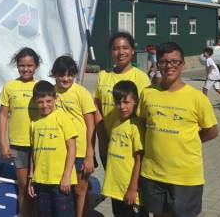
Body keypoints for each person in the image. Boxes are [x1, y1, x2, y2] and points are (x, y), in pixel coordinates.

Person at [139, 42, 218, 217]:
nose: (169, 66)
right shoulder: (147, 94)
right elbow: (144, 124)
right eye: (164, 62)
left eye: (175, 61)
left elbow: (212, 130)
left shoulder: (197, 98)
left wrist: (188, 140)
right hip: (153, 172)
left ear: (182, 65)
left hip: (185, 175)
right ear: (158, 64)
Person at [50, 56, 97, 217]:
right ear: (54, 74)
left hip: (80, 151)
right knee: (62, 190)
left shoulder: (81, 92)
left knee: (79, 191)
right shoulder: (50, 92)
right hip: (58, 151)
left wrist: (90, 155)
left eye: (70, 75)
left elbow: (91, 124)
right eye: (61, 75)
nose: (66, 79)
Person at [94, 32, 150, 166]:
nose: (120, 52)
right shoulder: (103, 75)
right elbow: (97, 108)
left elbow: (144, 114)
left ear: (132, 50)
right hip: (108, 143)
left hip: (131, 145)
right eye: (115, 48)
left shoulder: (141, 78)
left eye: (125, 48)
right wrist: (102, 141)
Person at [0, 47, 40, 217]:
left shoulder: (41, 87)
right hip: (18, 144)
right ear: (17, 66)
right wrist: (3, 143)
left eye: (30, 65)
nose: (26, 69)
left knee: (38, 187)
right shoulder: (10, 86)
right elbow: (2, 115)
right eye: (22, 65)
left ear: (36, 66)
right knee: (23, 186)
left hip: (40, 144)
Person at [28, 80, 78, 217]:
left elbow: (72, 148)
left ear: (55, 98)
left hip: (61, 182)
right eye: (40, 102)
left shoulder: (63, 117)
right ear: (35, 101)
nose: (45, 105)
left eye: (49, 101)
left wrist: (67, 176)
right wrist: (31, 178)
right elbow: (34, 152)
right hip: (41, 182)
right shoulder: (34, 123)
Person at [101, 81, 147, 217]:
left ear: (136, 102)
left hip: (130, 191)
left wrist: (133, 188)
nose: (122, 107)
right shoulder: (116, 123)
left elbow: (139, 159)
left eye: (126, 102)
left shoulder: (136, 126)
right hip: (116, 189)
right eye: (118, 102)